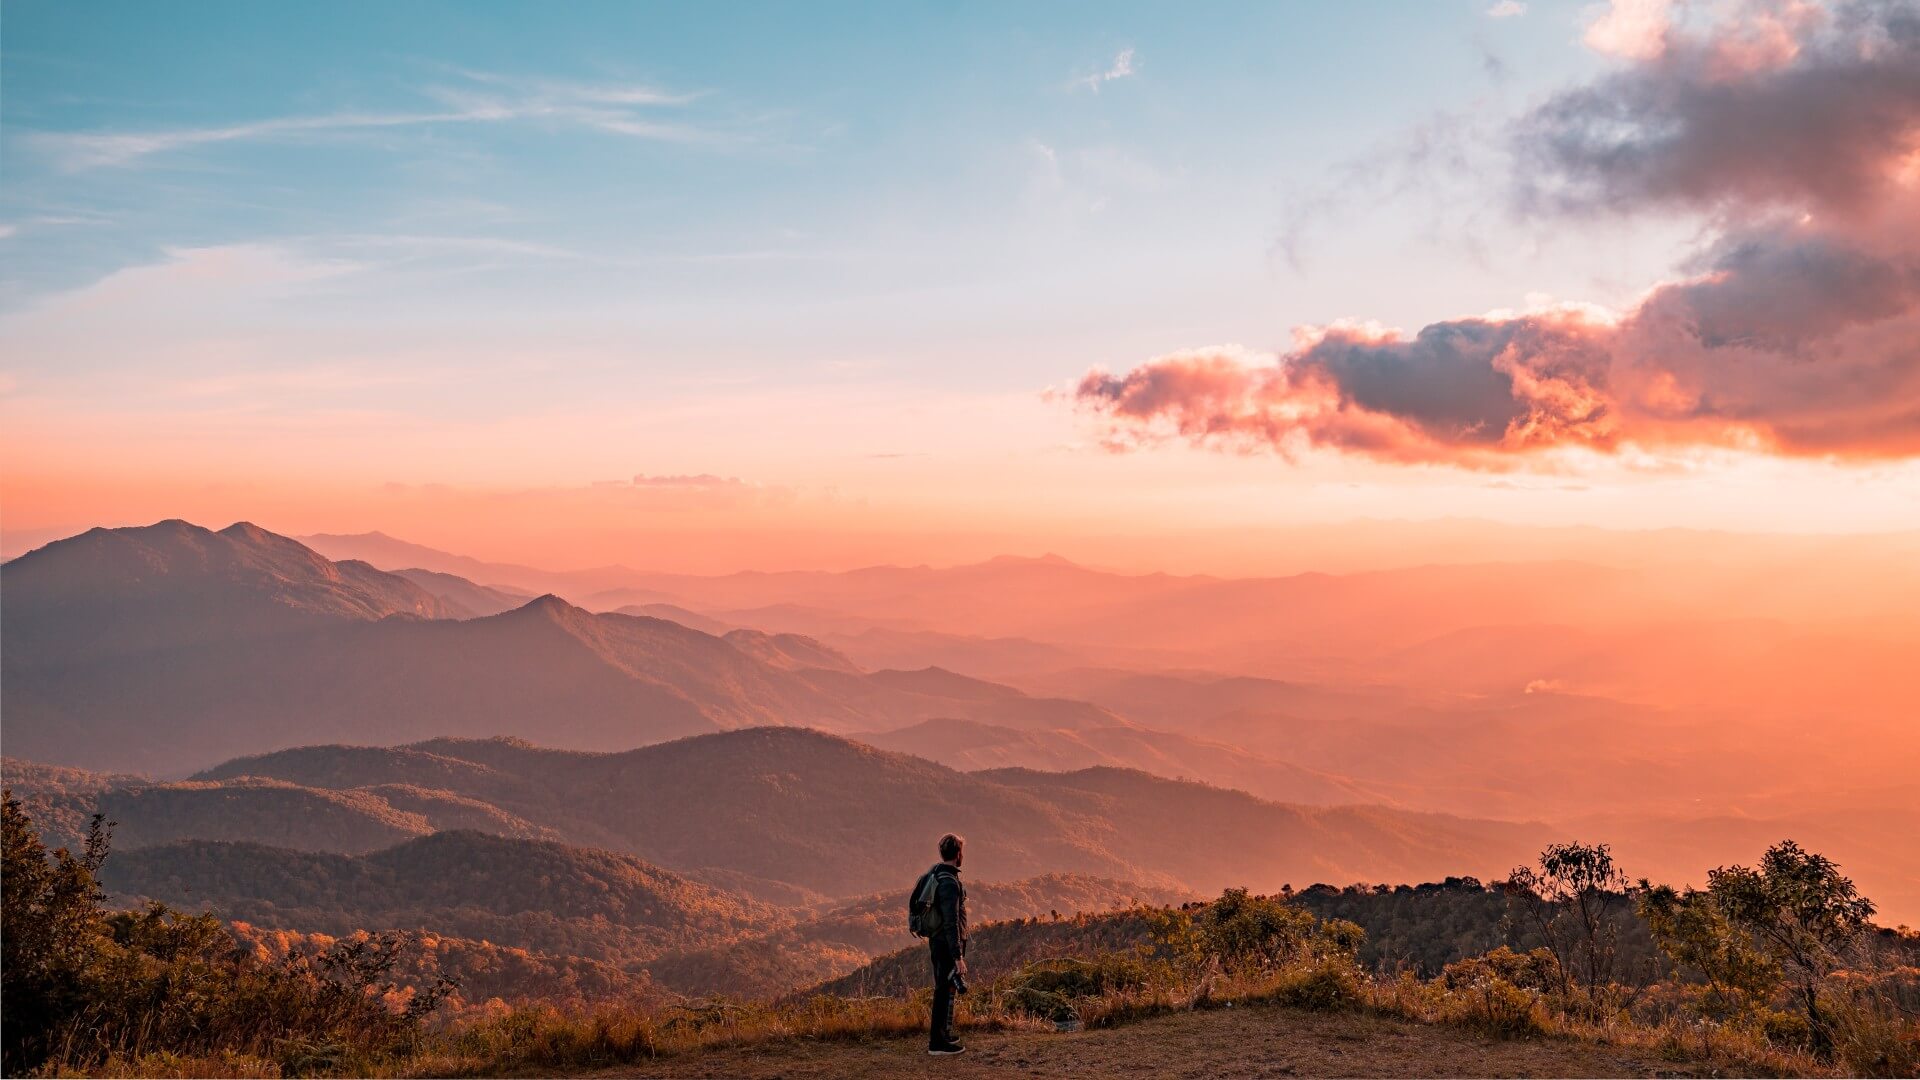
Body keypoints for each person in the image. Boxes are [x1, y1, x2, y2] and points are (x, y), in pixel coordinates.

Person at [925, 832, 969, 1055]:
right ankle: (937, 1044)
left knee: (947, 988)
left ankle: (943, 1034)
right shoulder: (949, 883)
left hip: (939, 941)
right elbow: (951, 922)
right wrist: (958, 956)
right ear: (958, 854)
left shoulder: (939, 874)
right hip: (946, 944)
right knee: (943, 990)